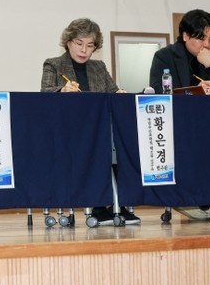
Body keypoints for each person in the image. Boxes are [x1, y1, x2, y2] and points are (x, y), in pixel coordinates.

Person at [40, 18, 140, 226]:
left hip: (99, 129)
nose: (84, 50)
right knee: (97, 149)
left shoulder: (98, 67)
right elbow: (45, 94)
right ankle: (99, 206)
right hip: (70, 131)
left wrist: (120, 94)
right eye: (79, 43)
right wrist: (62, 90)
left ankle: (119, 205)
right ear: (68, 42)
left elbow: (112, 91)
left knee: (121, 145)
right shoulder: (54, 64)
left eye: (90, 45)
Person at [148, 9, 210, 221]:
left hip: (207, 122)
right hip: (178, 121)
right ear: (185, 35)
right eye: (201, 38)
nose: (206, 44)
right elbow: (158, 90)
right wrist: (195, 91)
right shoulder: (164, 56)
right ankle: (186, 200)